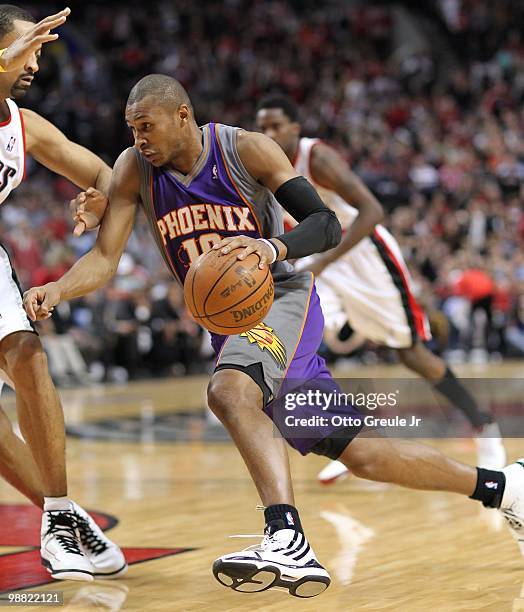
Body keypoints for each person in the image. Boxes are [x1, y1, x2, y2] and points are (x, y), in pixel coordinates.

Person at [24, 74, 524, 599]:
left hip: (282, 300)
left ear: (182, 117)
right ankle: (504, 488)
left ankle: (286, 537)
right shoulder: (134, 170)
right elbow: (105, 259)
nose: (139, 139)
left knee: (228, 392)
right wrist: (57, 289)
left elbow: (325, 224)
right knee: (361, 455)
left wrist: (271, 248)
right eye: (132, 129)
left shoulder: (245, 149)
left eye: (147, 126)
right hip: (231, 326)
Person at [255, 94, 506, 485]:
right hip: (322, 259)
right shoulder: (263, 163)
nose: (268, 133)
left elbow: (373, 210)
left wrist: (323, 261)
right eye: (262, 127)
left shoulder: (316, 158)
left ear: (294, 128)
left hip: (365, 254)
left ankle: (483, 424)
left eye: (275, 126)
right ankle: (354, 438)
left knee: (409, 352)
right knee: (316, 339)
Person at [0, 5, 126, 581]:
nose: (37, 62)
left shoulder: (25, 127)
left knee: (27, 355)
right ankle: (66, 515)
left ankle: (57, 516)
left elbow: (105, 174)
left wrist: (98, 197)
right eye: (31, 48)